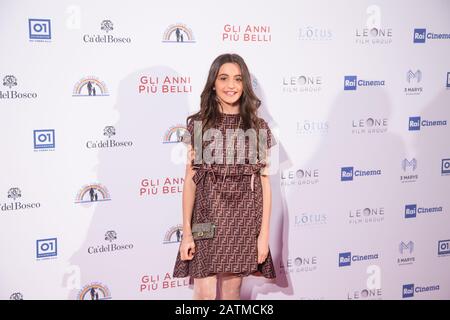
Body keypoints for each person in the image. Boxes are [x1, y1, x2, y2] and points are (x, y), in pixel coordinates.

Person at [173, 53, 277, 300]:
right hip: (205, 218)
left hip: (242, 221)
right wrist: (186, 233)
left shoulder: (258, 127)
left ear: (245, 84)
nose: (231, 85)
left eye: (238, 79)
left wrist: (263, 237)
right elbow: (190, 181)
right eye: (224, 78)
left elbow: (265, 183)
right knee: (203, 296)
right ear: (213, 83)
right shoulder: (199, 125)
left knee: (232, 295)